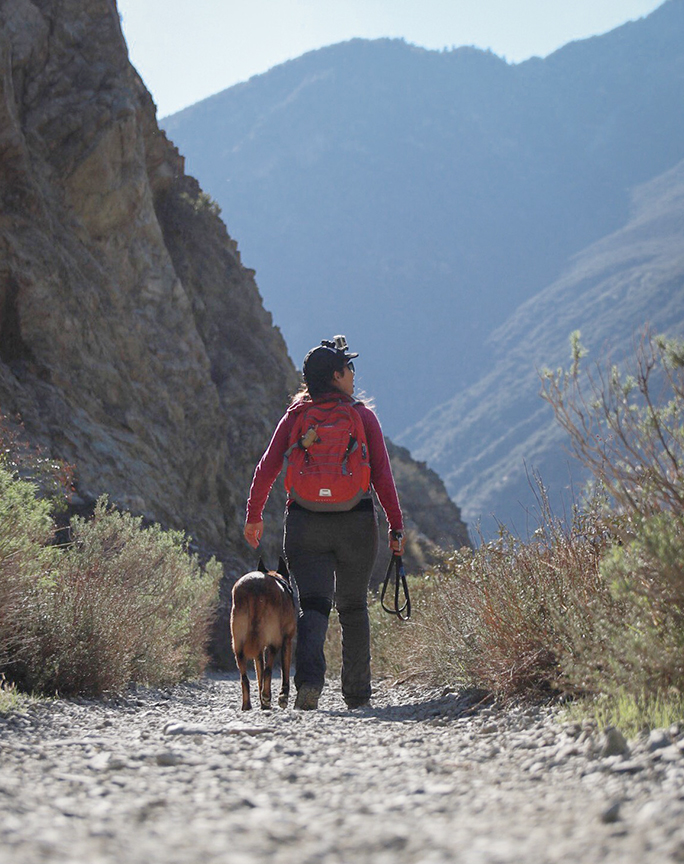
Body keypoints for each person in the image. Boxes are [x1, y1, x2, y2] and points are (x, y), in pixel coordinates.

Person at [244, 335, 404, 710]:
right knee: (352, 608)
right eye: (348, 367)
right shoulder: (362, 417)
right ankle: (357, 694)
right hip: (356, 523)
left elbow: (267, 468)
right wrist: (396, 526)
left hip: (304, 523)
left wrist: (254, 516)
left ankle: (310, 685)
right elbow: (382, 476)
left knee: (313, 606)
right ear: (336, 375)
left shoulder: (296, 417)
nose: (352, 373)